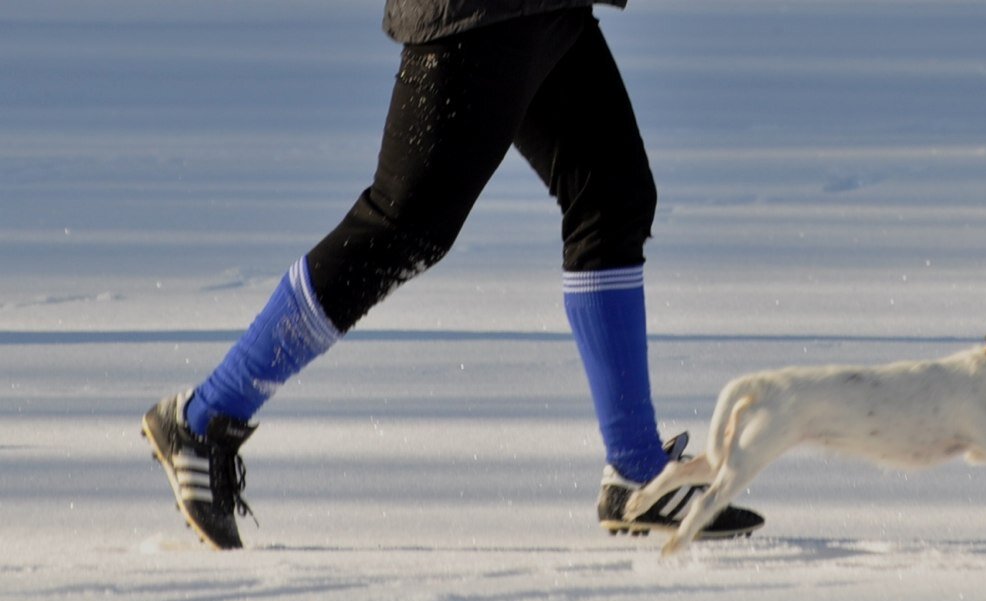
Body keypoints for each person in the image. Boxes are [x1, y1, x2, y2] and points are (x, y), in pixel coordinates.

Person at [141, 0, 764, 549]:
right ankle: (204, 418)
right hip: (478, 8)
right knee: (405, 222)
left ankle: (636, 472)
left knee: (612, 197)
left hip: (542, 11)